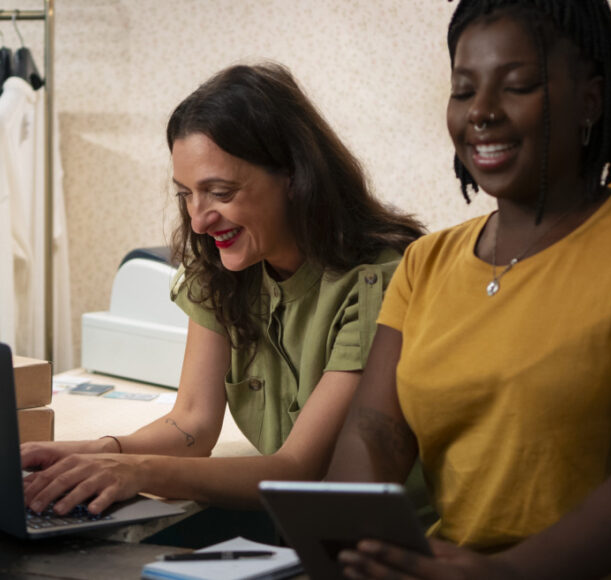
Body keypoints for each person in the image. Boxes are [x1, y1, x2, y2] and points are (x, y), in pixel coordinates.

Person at [327, 1, 611, 578]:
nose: (482, 113)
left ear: (590, 100)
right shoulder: (425, 263)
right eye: (463, 91)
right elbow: (372, 441)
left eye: (516, 86)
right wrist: (354, 547)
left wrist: (508, 574)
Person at [21, 62, 424, 516]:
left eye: (221, 192)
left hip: (389, 545)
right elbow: (191, 423)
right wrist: (93, 453)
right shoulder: (228, 271)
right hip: (306, 532)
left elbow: (299, 469)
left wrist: (136, 470)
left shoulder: (379, 282)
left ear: (294, 175)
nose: (198, 219)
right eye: (186, 194)